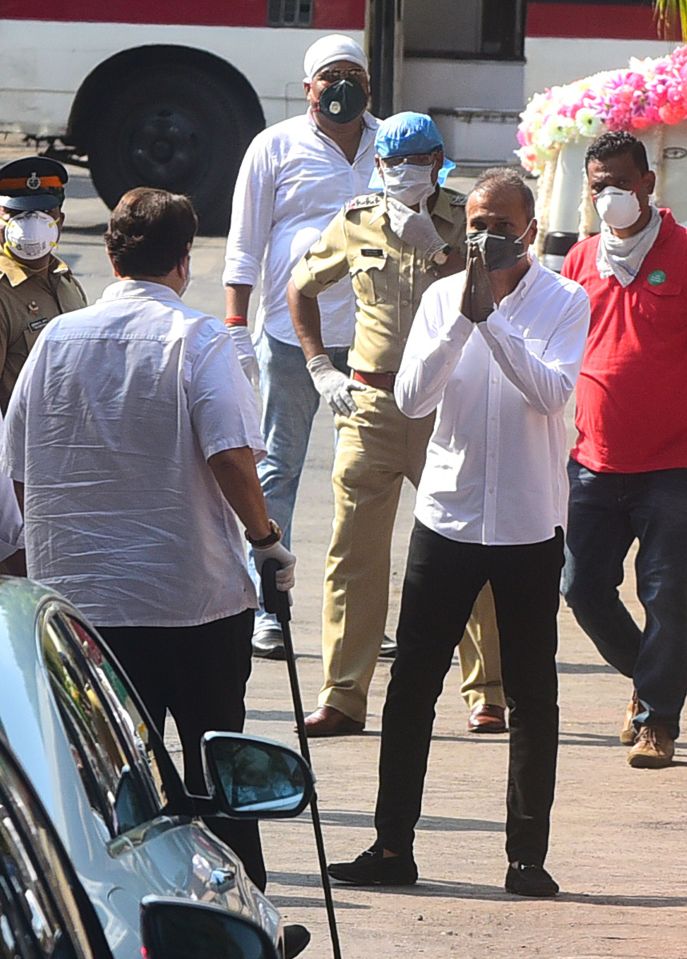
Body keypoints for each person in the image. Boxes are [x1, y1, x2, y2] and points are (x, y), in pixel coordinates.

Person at [0, 188, 308, 957]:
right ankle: (240, 923)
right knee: (219, 775)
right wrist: (266, 538)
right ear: (184, 258)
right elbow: (233, 454)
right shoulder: (198, 340)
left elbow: (19, 469)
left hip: (83, 618)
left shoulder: (57, 339)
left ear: (111, 255)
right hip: (191, 601)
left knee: (102, 792)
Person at [326, 168, 590, 895]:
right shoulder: (442, 297)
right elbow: (411, 398)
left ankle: (525, 856)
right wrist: (457, 320)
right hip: (448, 516)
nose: (485, 236)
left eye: (500, 225)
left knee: (533, 693)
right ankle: (390, 847)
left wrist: (492, 322)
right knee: (411, 683)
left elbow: (551, 393)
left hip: (528, 524)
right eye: (474, 222)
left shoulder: (565, 299)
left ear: (529, 232)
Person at [288, 113, 506, 738]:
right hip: (372, 403)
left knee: (470, 547)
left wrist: (438, 247)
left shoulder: (472, 220)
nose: (401, 174)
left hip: (450, 404)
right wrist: (320, 367)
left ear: (439, 162)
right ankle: (343, 694)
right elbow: (301, 286)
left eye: (415, 162)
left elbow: (489, 296)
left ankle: (487, 690)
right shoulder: (358, 219)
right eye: (390, 163)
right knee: (353, 551)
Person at [223, 34, 380, 660]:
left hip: (373, 338)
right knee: (277, 467)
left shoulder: (391, 142)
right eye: (329, 76)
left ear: (369, 84)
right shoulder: (274, 146)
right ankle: (267, 608)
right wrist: (236, 326)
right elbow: (244, 241)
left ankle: (360, 613)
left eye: (353, 75)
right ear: (307, 87)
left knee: (365, 477)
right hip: (291, 339)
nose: (342, 86)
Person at [560, 131, 687, 770]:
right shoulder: (580, 260)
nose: (608, 195)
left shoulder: (684, 253)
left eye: (619, 182)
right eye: (597, 185)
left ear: (647, 184)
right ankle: (657, 681)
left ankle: (658, 721)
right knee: (582, 588)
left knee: (668, 595)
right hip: (593, 460)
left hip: (672, 464)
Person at [0, 156, 86, 412]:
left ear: (60, 220)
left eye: (44, 213)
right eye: (17, 214)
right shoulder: (4, 294)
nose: (32, 224)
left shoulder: (66, 281)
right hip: (19, 446)